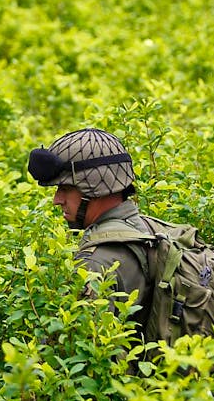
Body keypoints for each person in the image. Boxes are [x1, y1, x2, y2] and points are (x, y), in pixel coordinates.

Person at [27, 129, 153, 321]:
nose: (56, 200)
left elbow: (79, 345)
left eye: (66, 189)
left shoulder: (94, 264)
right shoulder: (152, 230)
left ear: (95, 190)